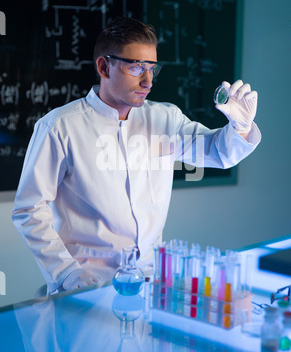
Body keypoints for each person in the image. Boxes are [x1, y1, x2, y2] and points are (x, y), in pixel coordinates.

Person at [12, 17, 261, 293]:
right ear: (104, 66)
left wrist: (241, 126)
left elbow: (218, 152)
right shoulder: (60, 126)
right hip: (87, 286)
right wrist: (68, 275)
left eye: (152, 68)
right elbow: (29, 209)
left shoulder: (166, 118)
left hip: (150, 283)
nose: (148, 81)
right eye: (136, 67)